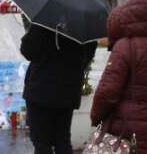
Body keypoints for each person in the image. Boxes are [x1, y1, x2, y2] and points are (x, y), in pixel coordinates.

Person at [90, 0, 147, 153]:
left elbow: (107, 91)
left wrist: (96, 117)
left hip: (127, 130)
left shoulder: (125, 47)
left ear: (130, 17)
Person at [21, 24, 97, 154]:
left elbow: (28, 51)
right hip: (68, 90)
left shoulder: (45, 21)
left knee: (41, 142)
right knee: (62, 140)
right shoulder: (84, 25)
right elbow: (88, 55)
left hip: (41, 89)